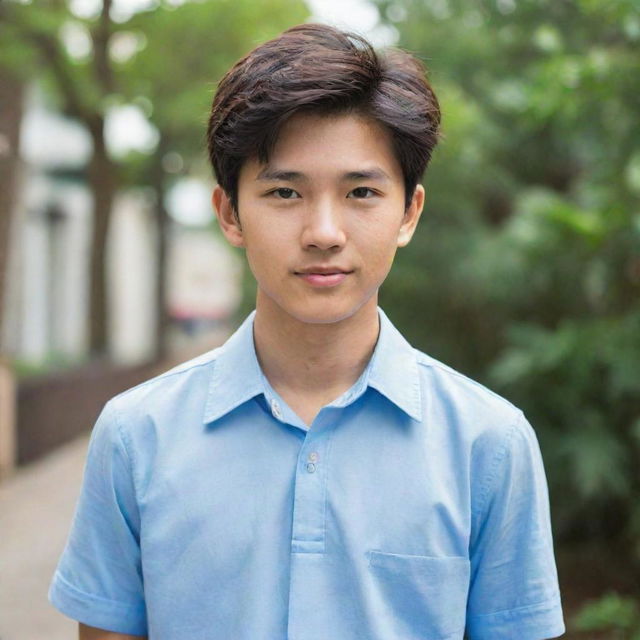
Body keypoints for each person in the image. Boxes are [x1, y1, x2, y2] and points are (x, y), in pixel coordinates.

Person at [49, 23, 565, 640]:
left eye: (362, 192)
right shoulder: (137, 436)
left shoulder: (489, 444)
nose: (324, 232)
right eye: (286, 191)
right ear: (229, 214)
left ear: (409, 213)